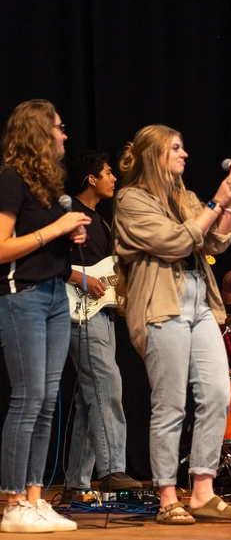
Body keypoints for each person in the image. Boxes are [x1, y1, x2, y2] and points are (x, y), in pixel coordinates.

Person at [113, 125, 231, 525]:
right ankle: (167, 494)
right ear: (153, 155)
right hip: (162, 303)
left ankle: (203, 490)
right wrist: (217, 201)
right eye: (175, 148)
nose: (185, 154)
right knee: (170, 402)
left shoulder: (186, 196)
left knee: (218, 393)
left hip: (200, 300)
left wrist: (230, 201)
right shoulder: (131, 199)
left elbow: (216, 243)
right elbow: (175, 241)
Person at [0, 99, 92, 533]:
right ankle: (11, 501)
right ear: (38, 133)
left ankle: (35, 498)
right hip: (24, 296)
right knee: (28, 397)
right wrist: (54, 229)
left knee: (48, 400)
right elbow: (0, 247)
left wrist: (69, 236)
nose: (64, 135)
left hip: (56, 294)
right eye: (58, 127)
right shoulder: (11, 179)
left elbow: (50, 243)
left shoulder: (47, 187)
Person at [62, 150, 141, 502]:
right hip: (79, 313)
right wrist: (77, 276)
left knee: (88, 400)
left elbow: (107, 270)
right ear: (91, 179)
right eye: (108, 173)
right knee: (107, 387)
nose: (113, 178)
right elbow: (44, 256)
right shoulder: (66, 213)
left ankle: (77, 485)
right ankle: (112, 470)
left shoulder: (103, 222)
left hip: (102, 314)